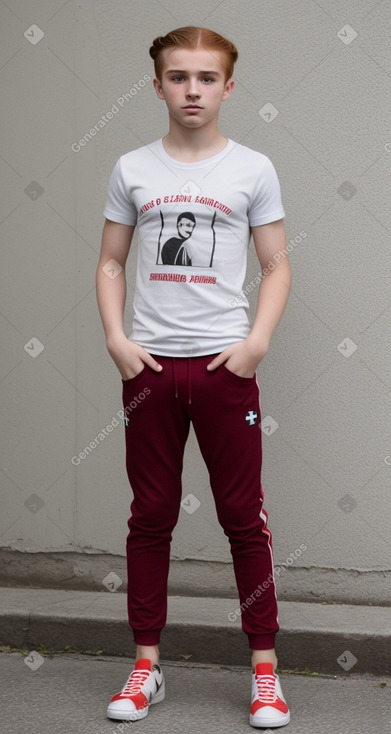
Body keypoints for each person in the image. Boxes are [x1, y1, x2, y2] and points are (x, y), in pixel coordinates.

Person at [96, 26, 292, 729]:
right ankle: (146, 666)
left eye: (206, 78)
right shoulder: (132, 167)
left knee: (244, 517)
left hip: (221, 370)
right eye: (178, 77)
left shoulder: (252, 169)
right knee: (150, 516)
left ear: (227, 87)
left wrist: (255, 342)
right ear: (156, 85)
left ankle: (264, 673)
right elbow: (112, 261)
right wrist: (117, 338)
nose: (192, 90)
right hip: (148, 369)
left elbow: (275, 265)